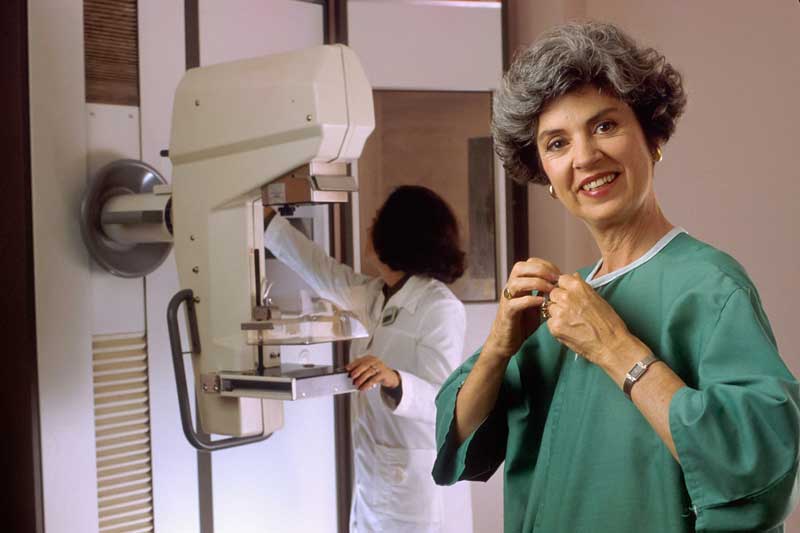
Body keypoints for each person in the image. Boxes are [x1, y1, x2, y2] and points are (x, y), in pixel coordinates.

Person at [432, 21, 800, 533]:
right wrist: (498, 346)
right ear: (546, 178)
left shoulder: (711, 287)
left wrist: (613, 348)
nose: (585, 157)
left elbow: (755, 463)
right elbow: (462, 440)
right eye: (557, 143)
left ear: (652, 138)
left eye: (605, 126)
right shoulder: (555, 306)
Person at [264, 185, 467, 533]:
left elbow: (448, 405)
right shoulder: (376, 295)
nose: (369, 227)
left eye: (376, 220)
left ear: (396, 234)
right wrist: (266, 221)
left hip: (411, 490)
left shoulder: (439, 307)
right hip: (374, 478)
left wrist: (396, 381)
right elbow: (320, 270)